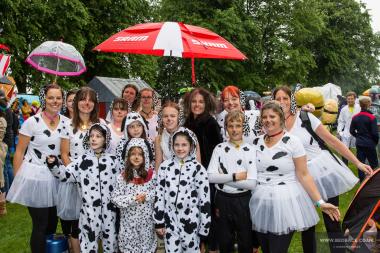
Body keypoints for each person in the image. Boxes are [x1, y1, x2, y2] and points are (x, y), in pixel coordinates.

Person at [273, 86, 372, 253]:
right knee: (307, 225)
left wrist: (357, 163)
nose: (282, 101)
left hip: (323, 171)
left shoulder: (305, 117)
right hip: (301, 178)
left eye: (285, 98)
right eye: (278, 98)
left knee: (331, 220)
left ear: (292, 100)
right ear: (273, 100)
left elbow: (332, 141)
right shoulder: (274, 123)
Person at [249, 101, 340, 253]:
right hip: (261, 202)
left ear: (281, 118)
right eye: (264, 117)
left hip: (285, 203)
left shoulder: (293, 142)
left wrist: (320, 202)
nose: (268, 120)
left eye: (272, 116)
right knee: (266, 248)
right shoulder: (256, 143)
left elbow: (303, 174)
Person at [7, 84, 69, 253]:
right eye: (50, 97)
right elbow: (19, 152)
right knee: (40, 224)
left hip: (58, 178)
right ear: (44, 99)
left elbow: (65, 152)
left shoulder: (67, 123)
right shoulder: (31, 122)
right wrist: (20, 180)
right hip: (36, 177)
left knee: (52, 223)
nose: (55, 101)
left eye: (58, 98)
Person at [47, 123, 119, 253]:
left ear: (105, 139)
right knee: (89, 244)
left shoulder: (113, 161)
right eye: (91, 136)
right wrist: (54, 165)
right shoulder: (82, 160)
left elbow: (121, 183)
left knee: (111, 243)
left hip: (110, 211)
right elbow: (65, 175)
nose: (94, 139)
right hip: (89, 211)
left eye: (98, 136)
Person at [59, 87, 102, 253]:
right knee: (76, 224)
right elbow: (64, 153)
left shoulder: (100, 125)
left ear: (95, 104)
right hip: (75, 180)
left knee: (94, 221)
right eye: (83, 99)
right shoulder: (67, 125)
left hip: (96, 181)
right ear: (76, 102)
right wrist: (76, 175)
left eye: (90, 100)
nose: (86, 103)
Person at [154, 127, 211, 253]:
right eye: (177, 145)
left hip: (192, 221)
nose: (180, 148)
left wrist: (204, 228)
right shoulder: (165, 167)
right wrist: (159, 221)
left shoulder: (198, 169)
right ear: (172, 145)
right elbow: (159, 195)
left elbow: (205, 200)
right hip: (170, 221)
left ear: (191, 146)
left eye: (184, 145)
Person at [208, 110, 257, 253]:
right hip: (223, 199)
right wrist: (235, 176)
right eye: (231, 126)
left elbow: (251, 183)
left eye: (238, 125)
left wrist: (222, 179)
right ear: (226, 128)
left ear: (244, 127)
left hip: (243, 199)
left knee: (245, 238)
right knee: (225, 239)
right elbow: (210, 176)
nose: (234, 130)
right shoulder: (219, 149)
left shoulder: (250, 150)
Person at [183, 87, 223, 252]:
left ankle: (212, 247)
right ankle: (198, 244)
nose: (197, 105)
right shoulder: (187, 122)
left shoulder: (211, 122)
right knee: (194, 209)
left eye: (200, 102)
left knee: (209, 211)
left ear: (206, 104)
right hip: (189, 172)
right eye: (194, 101)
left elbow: (218, 150)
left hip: (206, 173)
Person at [111, 138, 157, 253]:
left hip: (147, 225)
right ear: (127, 156)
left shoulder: (152, 175)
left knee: (147, 248)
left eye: (140, 154)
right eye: (133, 154)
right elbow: (115, 199)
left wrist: (146, 196)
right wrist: (134, 198)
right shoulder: (122, 177)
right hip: (128, 225)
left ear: (145, 155)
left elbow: (158, 193)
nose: (136, 157)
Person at [155, 101, 201, 170]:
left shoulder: (189, 135)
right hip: (168, 176)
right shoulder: (159, 138)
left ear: (178, 118)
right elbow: (158, 165)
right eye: (165, 116)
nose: (169, 119)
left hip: (189, 175)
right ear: (161, 118)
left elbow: (197, 162)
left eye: (172, 116)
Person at [350, 96, 379, 182]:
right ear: (369, 105)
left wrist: (358, 136)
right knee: (374, 164)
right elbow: (375, 133)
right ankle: (374, 181)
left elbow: (351, 131)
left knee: (361, 163)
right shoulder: (372, 117)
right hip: (370, 143)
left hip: (359, 143)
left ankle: (362, 181)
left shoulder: (355, 117)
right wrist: (375, 141)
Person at [337, 91, 360, 165]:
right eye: (348, 99)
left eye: (352, 99)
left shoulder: (359, 107)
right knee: (345, 149)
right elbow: (341, 121)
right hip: (346, 131)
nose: (350, 100)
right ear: (346, 99)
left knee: (359, 149)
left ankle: (360, 165)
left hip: (357, 131)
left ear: (355, 99)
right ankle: (345, 166)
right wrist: (339, 131)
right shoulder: (344, 109)